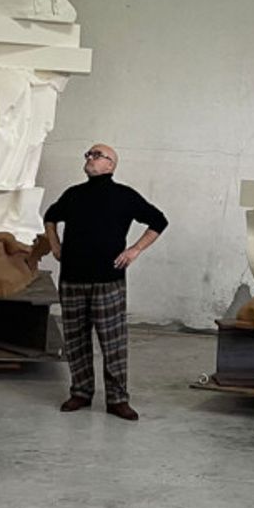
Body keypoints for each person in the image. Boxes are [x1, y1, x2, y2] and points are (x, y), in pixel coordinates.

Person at [43, 144, 168, 421]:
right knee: (76, 340)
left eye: (97, 155)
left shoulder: (124, 196)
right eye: (87, 153)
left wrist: (134, 250)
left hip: (108, 280)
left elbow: (159, 220)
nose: (89, 157)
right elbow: (50, 216)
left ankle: (117, 399)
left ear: (111, 165)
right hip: (73, 278)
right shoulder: (73, 195)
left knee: (113, 342)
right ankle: (81, 392)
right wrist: (55, 244)